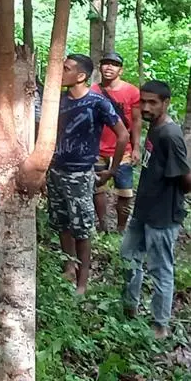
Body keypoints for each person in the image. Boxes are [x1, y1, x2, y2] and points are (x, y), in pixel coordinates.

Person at [48, 54, 128, 294]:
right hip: (56, 171)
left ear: (80, 76)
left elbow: (122, 134)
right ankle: (68, 266)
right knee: (62, 222)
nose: (60, 72)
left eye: (66, 68)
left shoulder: (97, 102)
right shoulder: (58, 101)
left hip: (81, 173)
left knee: (82, 229)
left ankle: (82, 283)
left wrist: (111, 170)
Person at [122, 80, 191, 340]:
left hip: (163, 215)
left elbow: (185, 180)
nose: (146, 107)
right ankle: (129, 308)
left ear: (165, 103)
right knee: (128, 255)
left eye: (153, 102)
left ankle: (160, 324)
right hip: (144, 210)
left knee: (161, 268)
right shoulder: (154, 127)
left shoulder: (170, 135)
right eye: (143, 101)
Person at [90, 52, 141, 232]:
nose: (109, 67)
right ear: (100, 67)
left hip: (123, 149)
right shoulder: (93, 91)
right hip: (97, 148)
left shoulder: (132, 91)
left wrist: (136, 148)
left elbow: (135, 121)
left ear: (121, 69)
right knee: (98, 188)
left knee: (125, 192)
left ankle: (120, 228)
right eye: (106, 63)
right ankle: (103, 224)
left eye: (114, 64)